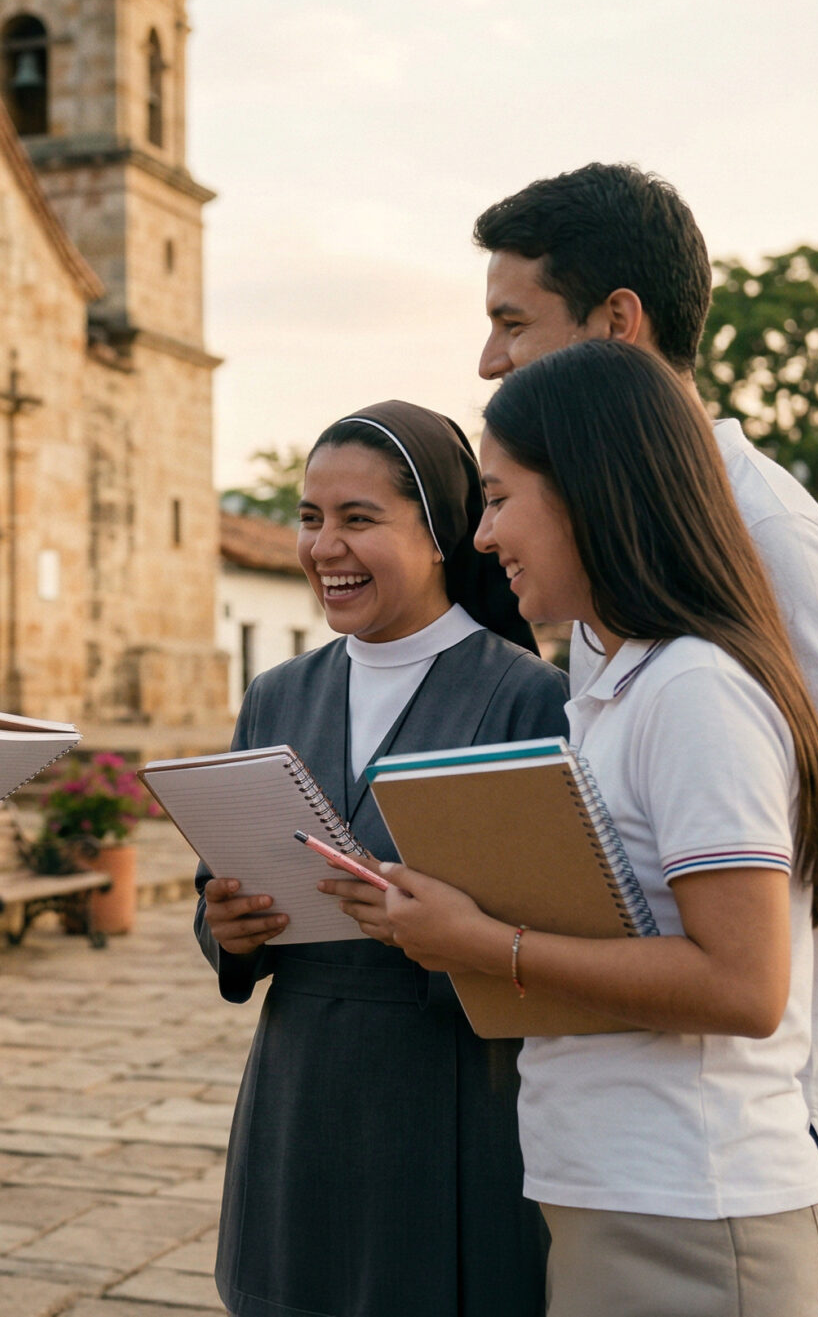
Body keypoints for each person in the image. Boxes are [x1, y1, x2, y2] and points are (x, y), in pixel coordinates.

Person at [471, 163, 818, 1310]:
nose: (489, 358)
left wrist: (519, 944)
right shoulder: (617, 595)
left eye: (513, 322)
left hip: (756, 1125)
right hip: (638, 1141)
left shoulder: (764, 540)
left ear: (618, 326)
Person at [359, 340, 818, 1316]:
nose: (483, 536)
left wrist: (483, 941)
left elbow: (743, 983)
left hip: (690, 1201)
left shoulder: (693, 691)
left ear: (591, 488)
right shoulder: (614, 685)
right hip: (619, 1189)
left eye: (499, 499)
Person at [196, 400, 566, 1317]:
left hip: (449, 1094)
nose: (325, 547)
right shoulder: (277, 694)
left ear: (441, 534)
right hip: (299, 1084)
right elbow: (223, 899)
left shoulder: (528, 701)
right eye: (310, 518)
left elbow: (559, 932)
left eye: (359, 519)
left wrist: (451, 938)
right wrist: (229, 928)